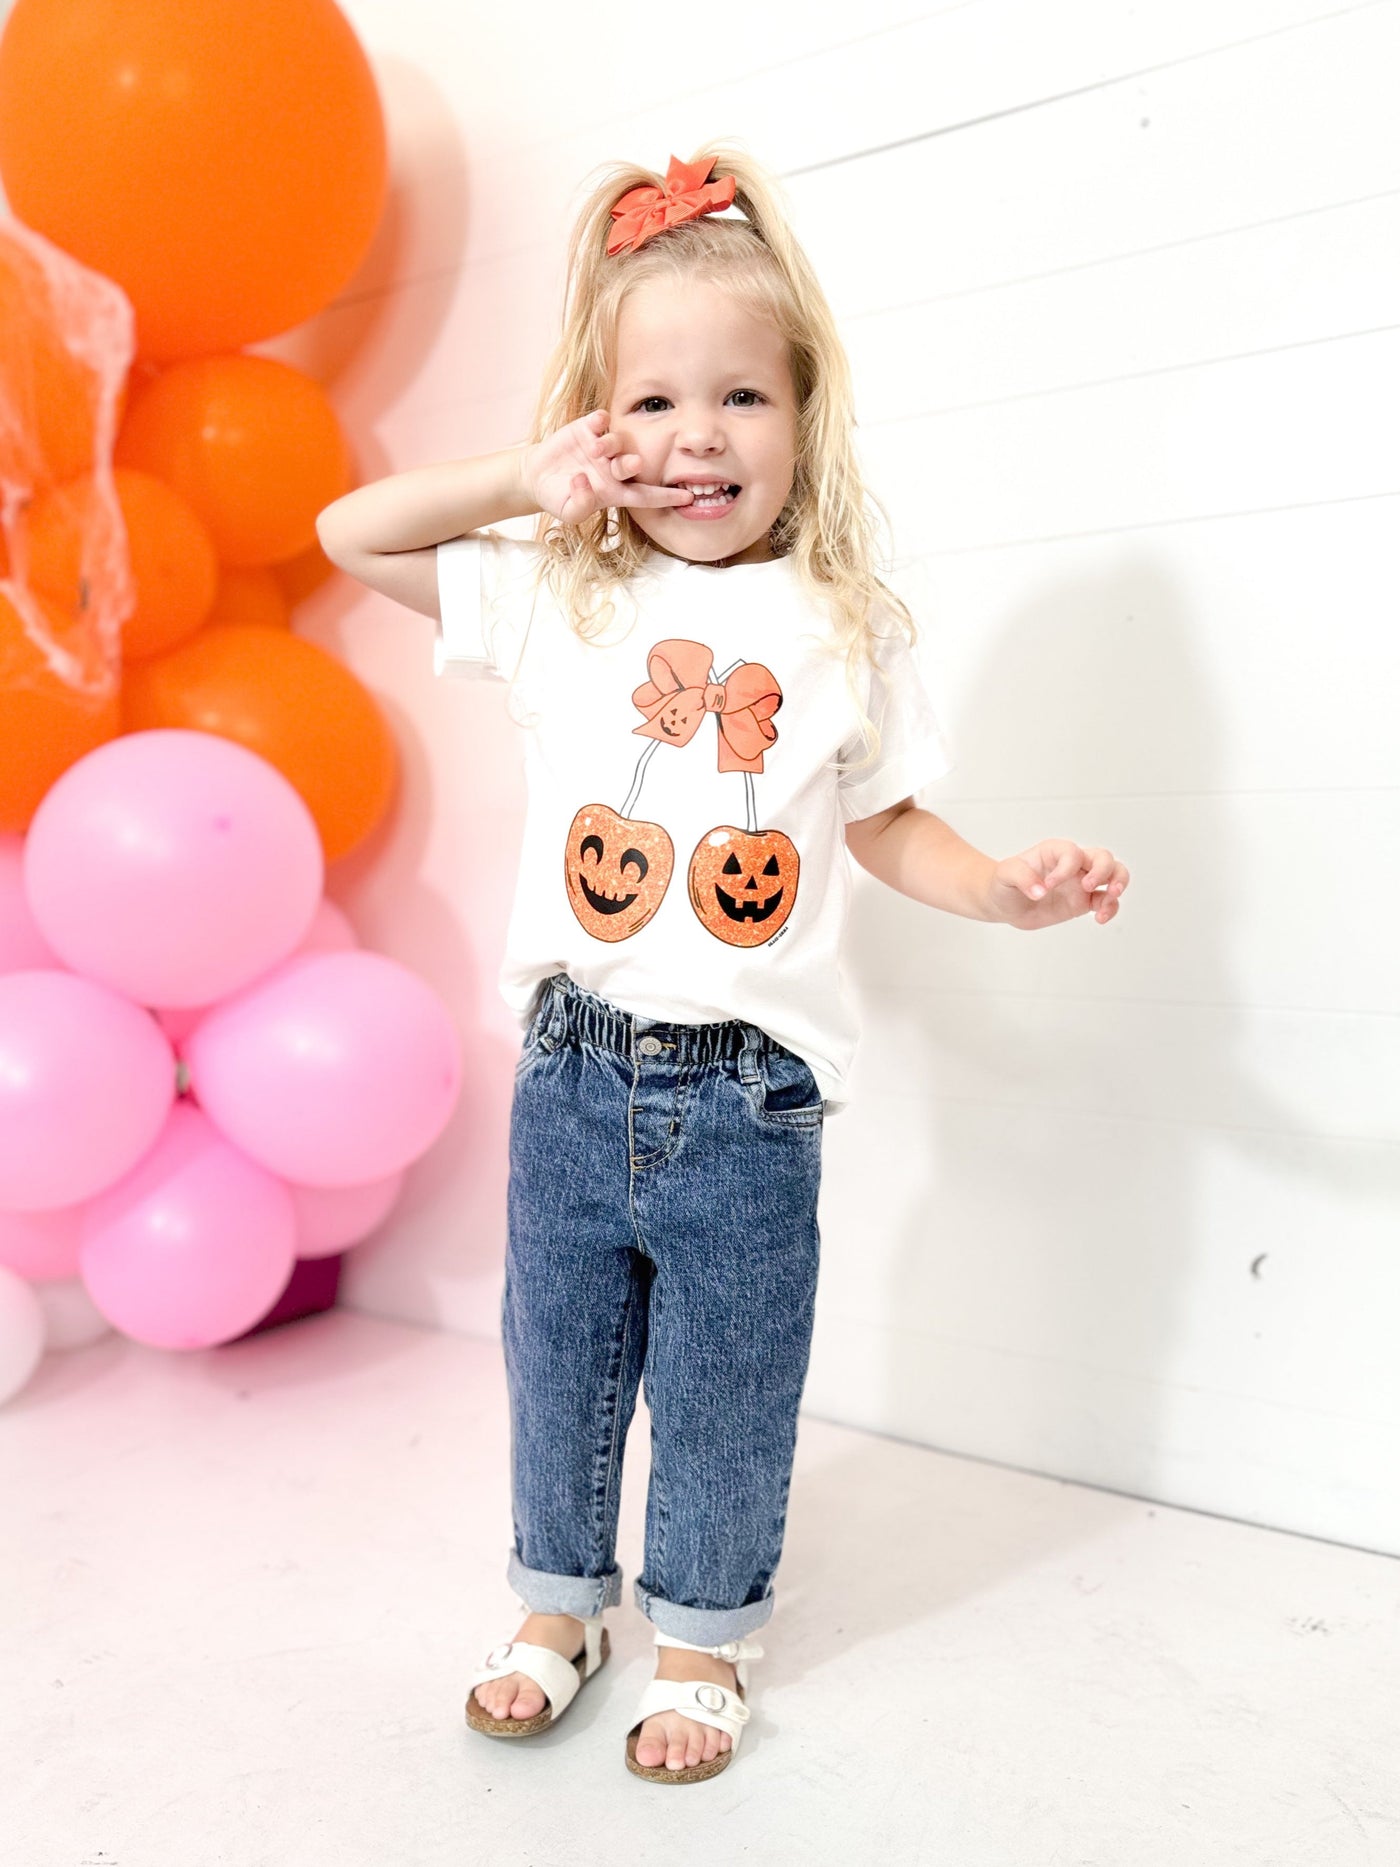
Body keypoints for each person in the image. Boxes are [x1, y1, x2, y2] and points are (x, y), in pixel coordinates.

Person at [316, 144, 1130, 1786]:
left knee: (727, 1385)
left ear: (803, 415)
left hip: (751, 1100)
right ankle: (558, 1607)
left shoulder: (845, 620)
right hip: (575, 1062)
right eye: (657, 404)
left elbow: (891, 823)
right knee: (557, 1360)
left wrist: (1001, 889)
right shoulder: (564, 596)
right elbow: (349, 529)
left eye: (744, 398)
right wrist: (522, 482)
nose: (701, 437)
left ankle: (701, 1638)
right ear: (601, 427)